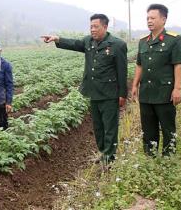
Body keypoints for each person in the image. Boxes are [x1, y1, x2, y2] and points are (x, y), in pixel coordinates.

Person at [41, 14, 128, 164]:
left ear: (105, 27)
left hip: (109, 94)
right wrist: (57, 39)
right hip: (93, 92)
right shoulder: (89, 42)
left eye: (96, 27)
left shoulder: (117, 45)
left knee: (110, 128)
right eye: (91, 27)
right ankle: (103, 152)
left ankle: (109, 158)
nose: (92, 30)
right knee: (98, 127)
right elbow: (75, 44)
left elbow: (122, 71)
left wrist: (122, 94)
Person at [132, 4, 181, 156]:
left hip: (164, 93)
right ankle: (150, 158)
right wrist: (135, 85)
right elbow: (139, 65)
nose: (149, 21)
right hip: (146, 93)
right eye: (148, 18)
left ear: (163, 19)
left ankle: (168, 161)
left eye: (153, 18)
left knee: (168, 129)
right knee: (148, 129)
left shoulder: (173, 40)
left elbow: (178, 65)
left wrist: (177, 88)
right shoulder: (143, 41)